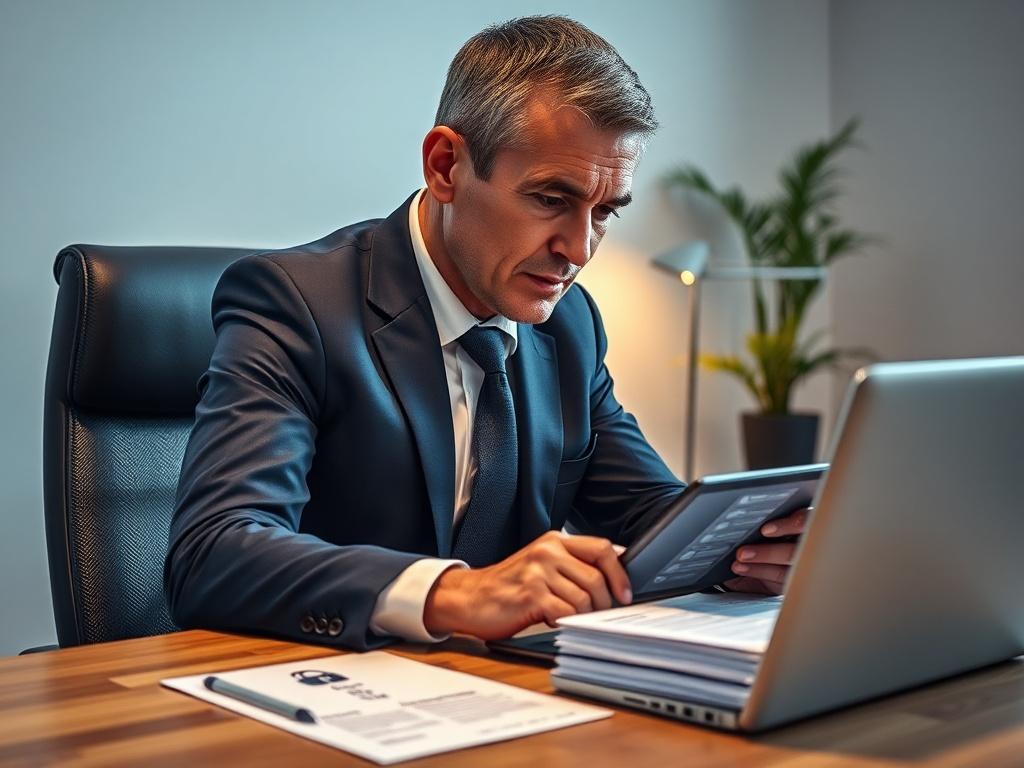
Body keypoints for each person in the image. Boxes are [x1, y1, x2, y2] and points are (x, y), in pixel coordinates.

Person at [164, 15, 807, 651]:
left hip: (500, 701)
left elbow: (650, 517)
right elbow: (215, 549)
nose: (578, 249)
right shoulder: (296, 302)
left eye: (604, 211)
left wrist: (756, 549)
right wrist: (457, 594)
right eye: (550, 199)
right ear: (446, 166)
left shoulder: (570, 326)